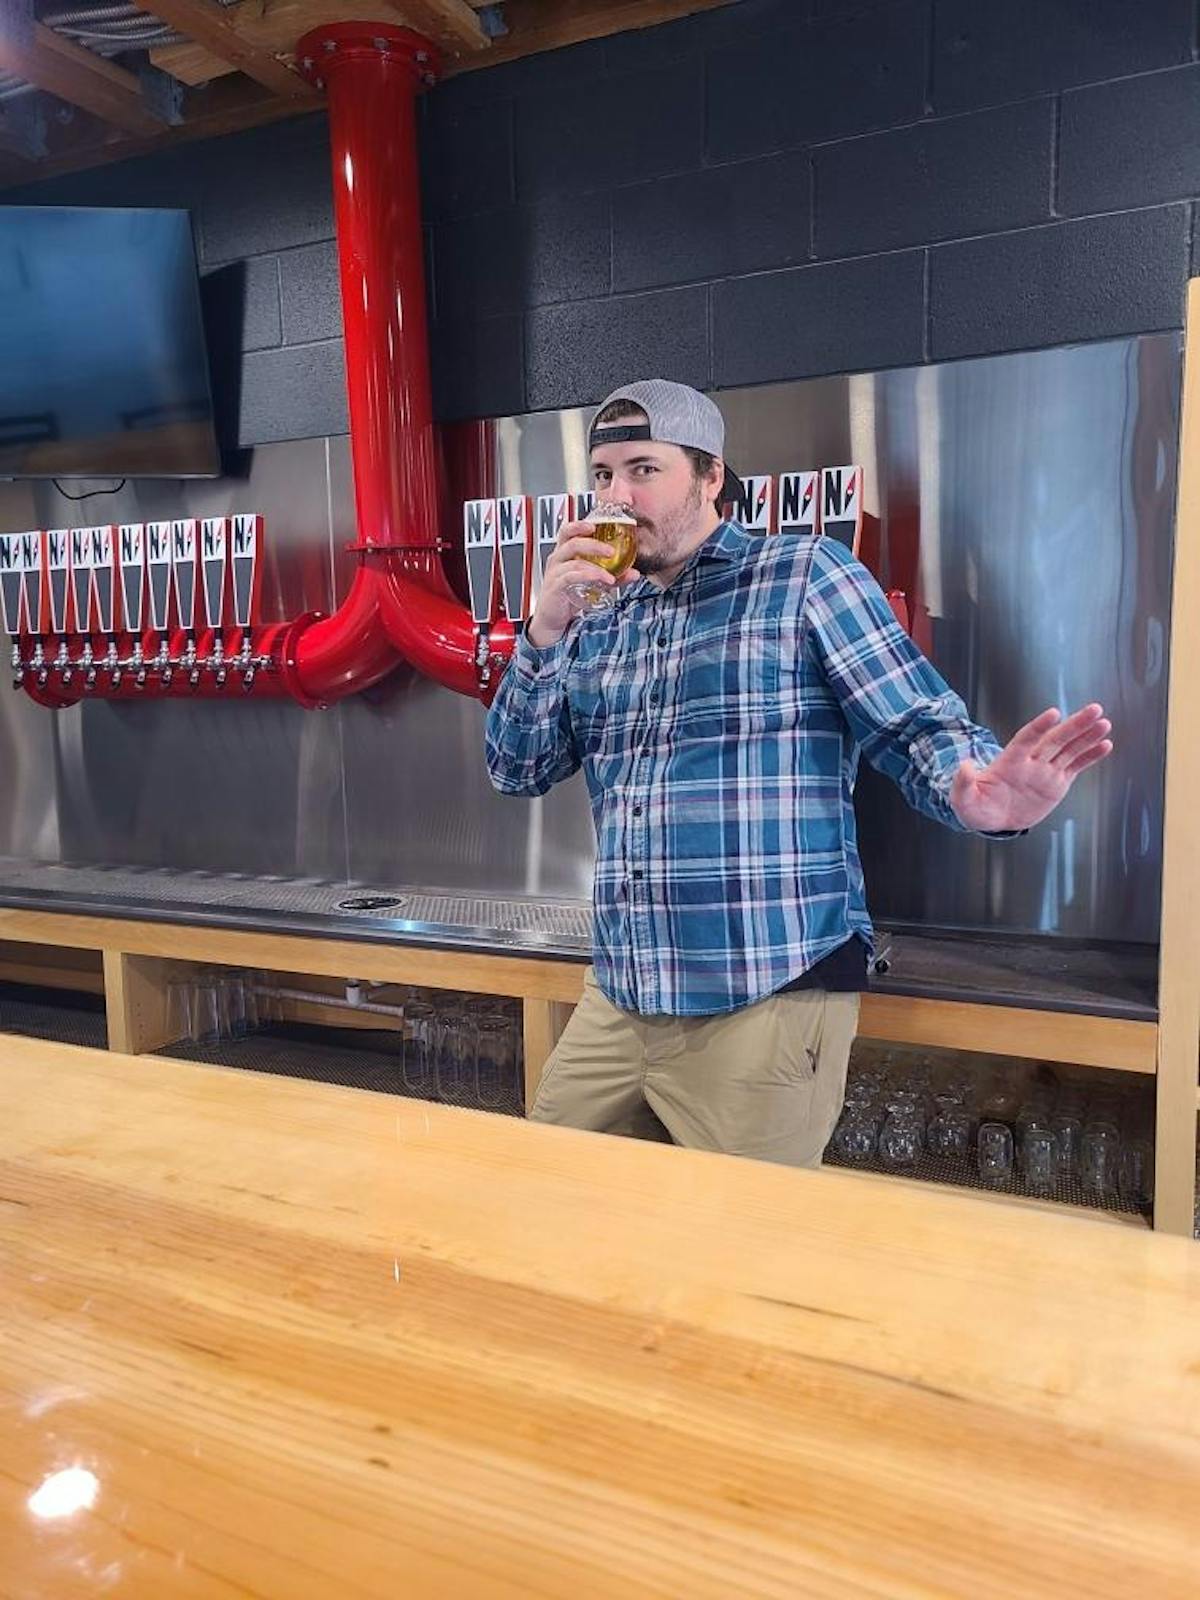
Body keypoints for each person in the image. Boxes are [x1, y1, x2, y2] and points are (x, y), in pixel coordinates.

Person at [485, 378, 1113, 1167]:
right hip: (620, 994)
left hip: (763, 995)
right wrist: (543, 630)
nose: (617, 496)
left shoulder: (805, 575)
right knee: (555, 1210)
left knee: (751, 1261)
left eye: (643, 469)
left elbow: (916, 723)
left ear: (711, 475)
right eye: (603, 475)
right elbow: (516, 767)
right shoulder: (600, 614)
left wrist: (981, 792)